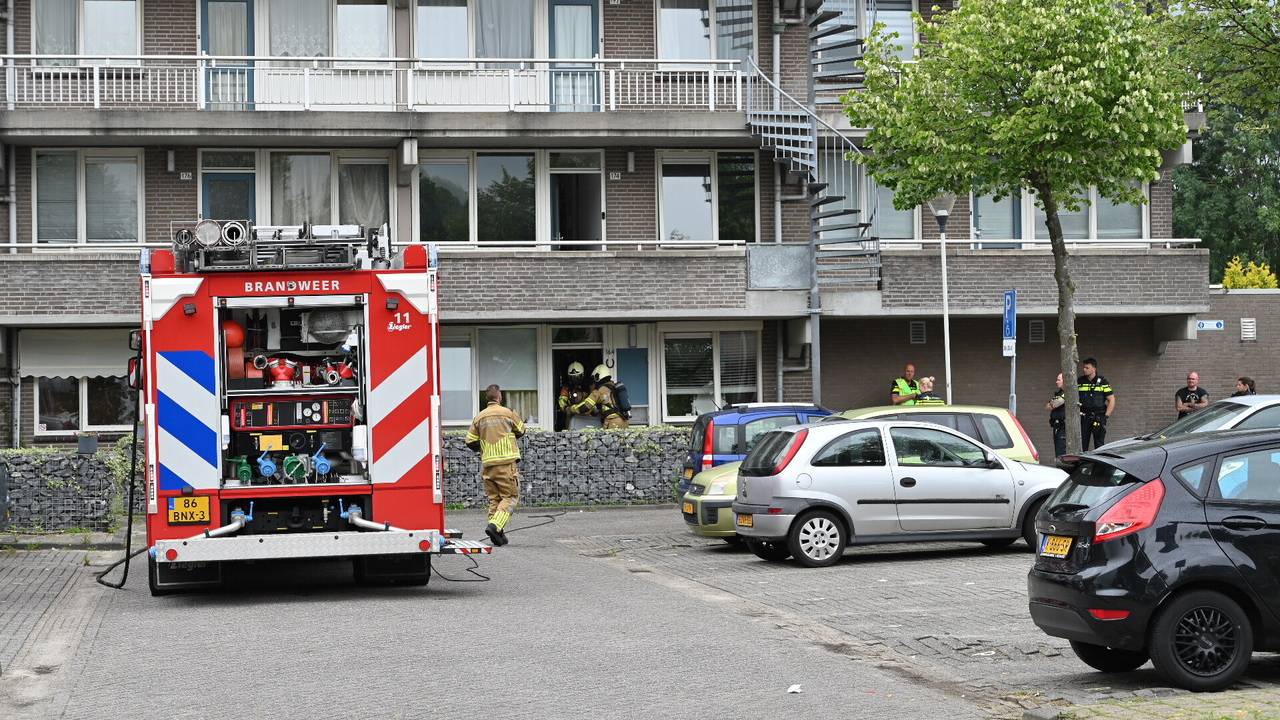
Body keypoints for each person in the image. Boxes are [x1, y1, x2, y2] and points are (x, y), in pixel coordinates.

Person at [465, 384, 526, 546]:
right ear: (499, 397)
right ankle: (495, 526)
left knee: (495, 499)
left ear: (487, 398)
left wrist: (484, 447)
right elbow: (521, 430)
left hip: (488, 465)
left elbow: (469, 441)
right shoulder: (508, 413)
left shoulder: (479, 417)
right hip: (506, 464)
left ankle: (497, 535)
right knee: (510, 497)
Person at [570, 364, 630, 429]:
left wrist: (571, 409)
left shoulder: (598, 391)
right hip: (624, 421)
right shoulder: (614, 387)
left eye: (593, 379)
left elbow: (585, 406)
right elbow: (599, 409)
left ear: (597, 377)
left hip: (613, 423)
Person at [1077, 357, 1115, 451]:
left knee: (1099, 446)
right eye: (1084, 367)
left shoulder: (1103, 382)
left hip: (1098, 417)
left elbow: (1112, 400)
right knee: (1082, 445)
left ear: (1094, 368)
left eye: (1087, 368)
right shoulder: (1080, 382)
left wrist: (1105, 417)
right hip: (1084, 418)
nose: (1084, 369)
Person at [557, 361, 590, 429]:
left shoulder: (587, 387)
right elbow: (562, 399)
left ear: (582, 375)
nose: (575, 380)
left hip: (586, 414)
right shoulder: (566, 387)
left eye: (577, 377)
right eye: (573, 378)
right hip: (571, 414)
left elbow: (593, 400)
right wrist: (565, 408)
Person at [1046, 373, 1066, 459]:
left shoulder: (1068, 393)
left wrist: (1053, 403)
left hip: (1063, 427)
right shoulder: (1059, 393)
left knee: (1061, 452)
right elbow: (1047, 406)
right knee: (1057, 451)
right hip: (1057, 426)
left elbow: (1054, 404)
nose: (1056, 382)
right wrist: (1052, 403)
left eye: (1058, 380)